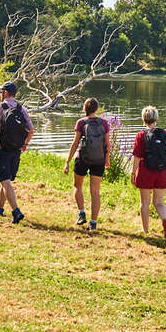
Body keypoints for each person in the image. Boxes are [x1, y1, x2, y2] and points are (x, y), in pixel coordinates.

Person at [0, 81, 34, 224]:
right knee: (6, 181)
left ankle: (16, 211)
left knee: (5, 181)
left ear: (5, 93)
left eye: (1, 92)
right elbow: (31, 130)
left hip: (2, 148)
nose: (0, 94)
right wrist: (24, 144)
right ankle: (0, 209)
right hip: (16, 150)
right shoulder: (22, 109)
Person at [64, 97, 110, 232]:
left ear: (85, 108)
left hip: (82, 159)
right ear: (96, 109)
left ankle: (81, 213)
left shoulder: (81, 123)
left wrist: (67, 161)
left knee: (77, 185)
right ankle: (94, 222)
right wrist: (107, 159)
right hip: (99, 160)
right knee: (95, 191)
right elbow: (107, 144)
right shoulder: (104, 123)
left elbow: (75, 143)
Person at [131, 105, 166, 238]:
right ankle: (165, 220)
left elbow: (137, 156)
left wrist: (133, 173)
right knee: (159, 202)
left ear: (144, 119)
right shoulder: (165, 134)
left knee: (145, 203)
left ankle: (145, 231)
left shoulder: (141, 135)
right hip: (162, 172)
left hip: (145, 172)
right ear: (156, 119)